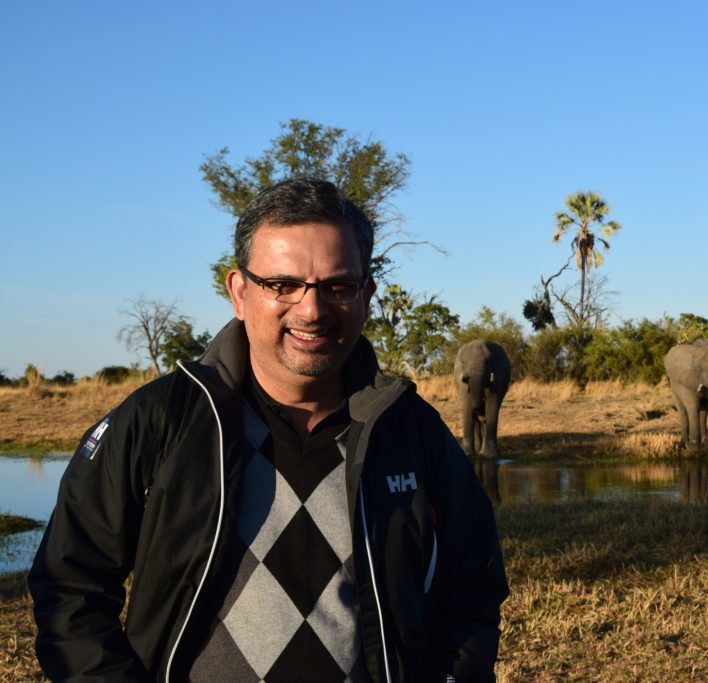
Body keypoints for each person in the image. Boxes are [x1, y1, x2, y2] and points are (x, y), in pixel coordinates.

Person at [29, 178, 509, 682]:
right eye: (282, 285)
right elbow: (69, 587)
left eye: (337, 286)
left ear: (366, 295)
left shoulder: (411, 431)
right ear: (239, 292)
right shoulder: (161, 421)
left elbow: (472, 587)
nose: (312, 309)